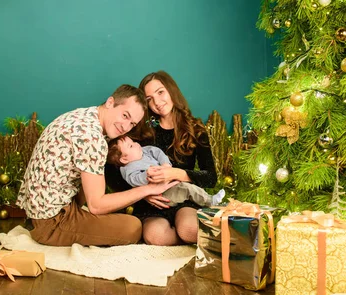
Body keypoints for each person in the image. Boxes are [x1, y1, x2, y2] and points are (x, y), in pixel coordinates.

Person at [17, 84, 178, 247]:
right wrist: (147, 190)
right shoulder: (92, 139)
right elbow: (96, 206)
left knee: (93, 182)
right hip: (50, 222)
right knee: (133, 227)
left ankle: (78, 217)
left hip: (38, 210)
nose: (125, 127)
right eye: (125, 115)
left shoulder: (84, 116)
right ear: (110, 102)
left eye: (132, 124)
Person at [105, 71, 219, 246]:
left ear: (171, 90)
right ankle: (180, 242)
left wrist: (176, 173)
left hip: (183, 198)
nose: (157, 102)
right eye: (149, 99)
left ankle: (189, 234)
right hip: (153, 205)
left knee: (189, 229)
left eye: (160, 92)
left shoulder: (195, 129)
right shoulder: (142, 131)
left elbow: (211, 177)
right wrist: (143, 194)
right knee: (156, 236)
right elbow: (112, 170)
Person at [107, 135, 225, 207]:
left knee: (188, 187)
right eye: (131, 146)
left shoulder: (144, 150)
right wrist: (146, 175)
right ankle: (210, 201)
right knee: (187, 189)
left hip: (169, 181)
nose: (136, 144)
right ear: (124, 159)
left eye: (133, 141)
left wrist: (165, 164)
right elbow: (134, 180)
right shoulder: (129, 169)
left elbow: (157, 151)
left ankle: (203, 200)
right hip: (162, 194)